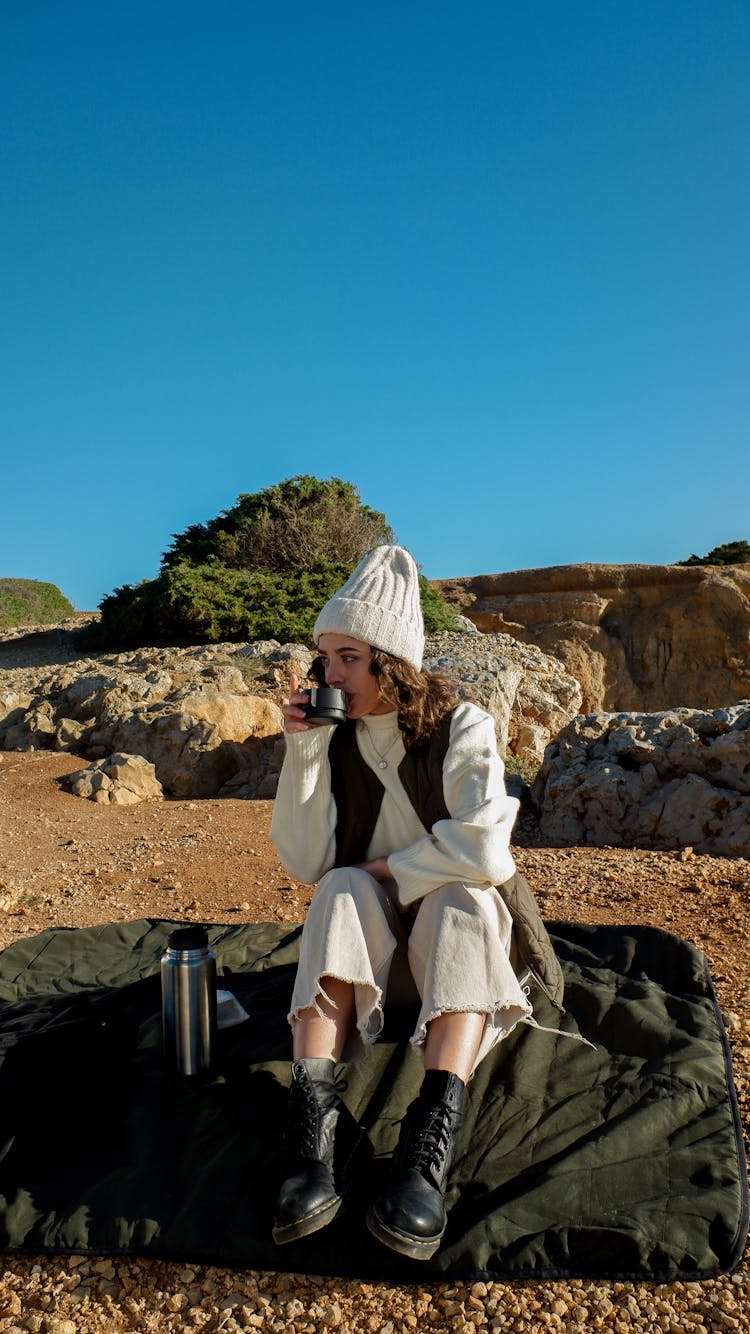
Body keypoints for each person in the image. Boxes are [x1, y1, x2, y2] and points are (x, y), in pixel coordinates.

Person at [269, 545, 564, 1261]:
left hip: (458, 958)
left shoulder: (461, 725)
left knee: (460, 896)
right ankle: (315, 1137)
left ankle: (428, 1142)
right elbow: (306, 864)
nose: (329, 675)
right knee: (339, 884)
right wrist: (303, 752)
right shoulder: (332, 738)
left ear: (390, 660)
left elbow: (487, 851)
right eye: (325, 659)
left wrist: (390, 871)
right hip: (372, 962)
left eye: (346, 658)